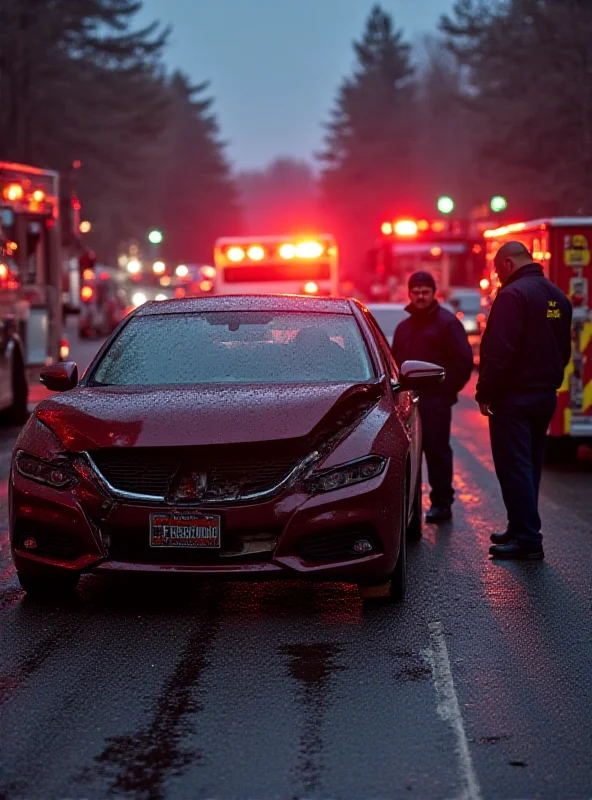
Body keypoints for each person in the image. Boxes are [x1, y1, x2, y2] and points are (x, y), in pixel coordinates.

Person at [476, 241, 572, 560]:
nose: (496, 276)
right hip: (544, 395)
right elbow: (565, 351)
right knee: (530, 464)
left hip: (513, 398)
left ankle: (528, 540)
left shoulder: (512, 296)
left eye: (496, 269)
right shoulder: (558, 296)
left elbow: (500, 352)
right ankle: (520, 526)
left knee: (513, 464)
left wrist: (486, 392)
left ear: (507, 263)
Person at [392, 271, 473, 523]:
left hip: (435, 403)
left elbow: (463, 363)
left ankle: (441, 503)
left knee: (437, 452)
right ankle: (411, 504)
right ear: (409, 293)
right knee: (407, 454)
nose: (420, 296)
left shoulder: (447, 324)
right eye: (415, 292)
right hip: (407, 403)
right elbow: (396, 364)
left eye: (425, 291)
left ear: (433, 293)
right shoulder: (403, 328)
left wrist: (445, 391)